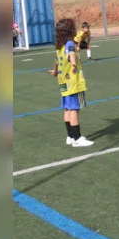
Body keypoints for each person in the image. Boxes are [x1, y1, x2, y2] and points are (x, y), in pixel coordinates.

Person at [48, 18, 94, 147]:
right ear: (70, 30)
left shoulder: (58, 46)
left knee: (67, 108)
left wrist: (55, 72)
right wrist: (73, 64)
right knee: (74, 108)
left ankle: (70, 136)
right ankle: (77, 138)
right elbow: (71, 55)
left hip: (62, 81)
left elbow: (56, 61)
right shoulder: (69, 44)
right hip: (72, 81)